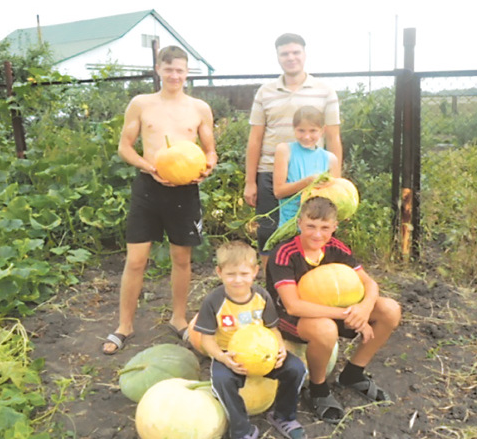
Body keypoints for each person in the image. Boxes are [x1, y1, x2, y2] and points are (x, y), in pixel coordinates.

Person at [102, 46, 218, 355]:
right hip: (148, 188)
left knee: (181, 258)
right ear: (158, 69)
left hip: (184, 190)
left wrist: (207, 167)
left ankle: (178, 318)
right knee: (136, 260)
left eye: (180, 70)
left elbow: (210, 150)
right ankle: (124, 325)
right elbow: (125, 147)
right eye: (169, 70)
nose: (175, 76)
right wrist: (149, 167)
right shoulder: (141, 104)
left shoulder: (199, 108)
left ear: (187, 72)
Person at [266, 197, 402, 424]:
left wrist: (364, 309)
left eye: (325, 228)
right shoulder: (284, 253)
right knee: (326, 329)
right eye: (311, 226)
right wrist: (349, 315)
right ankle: (318, 390)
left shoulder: (336, 248)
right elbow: (293, 305)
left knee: (390, 310)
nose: (317, 234)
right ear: (299, 223)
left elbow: (370, 284)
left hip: (336, 309)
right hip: (289, 317)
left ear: (334, 227)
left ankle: (353, 374)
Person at [244, 33, 343, 267]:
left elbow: (333, 137)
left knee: (311, 234)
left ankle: (307, 283)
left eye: (296, 52)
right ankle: (271, 284)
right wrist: (250, 181)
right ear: (278, 57)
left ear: (304, 54)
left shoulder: (325, 91)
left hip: (312, 175)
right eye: (285, 53)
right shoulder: (265, 92)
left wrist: (336, 183)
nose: (291, 58)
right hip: (270, 172)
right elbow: (255, 139)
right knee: (268, 234)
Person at [194, 241, 308, 439]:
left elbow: (273, 328)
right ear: (219, 272)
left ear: (255, 272)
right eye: (231, 274)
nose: (238, 280)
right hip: (230, 354)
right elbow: (207, 340)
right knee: (221, 381)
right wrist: (222, 358)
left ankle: (284, 416)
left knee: (296, 368)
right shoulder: (213, 301)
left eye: (244, 274)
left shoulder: (262, 296)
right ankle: (241, 429)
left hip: (263, 352)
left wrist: (280, 348)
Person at [273, 106, 340, 227]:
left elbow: (335, 198)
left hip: (318, 230)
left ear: (323, 130)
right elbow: (278, 192)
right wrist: (307, 182)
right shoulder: (284, 150)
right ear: (294, 129)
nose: (306, 136)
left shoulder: (331, 159)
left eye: (313, 131)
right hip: (289, 226)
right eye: (301, 131)